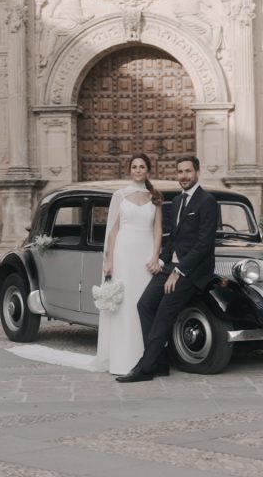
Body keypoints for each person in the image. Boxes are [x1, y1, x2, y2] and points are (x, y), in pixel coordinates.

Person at [117, 155, 219, 383]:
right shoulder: (179, 201)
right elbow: (172, 239)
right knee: (144, 305)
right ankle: (160, 363)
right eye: (180, 172)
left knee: (164, 311)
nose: (183, 176)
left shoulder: (207, 201)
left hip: (192, 272)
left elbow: (204, 245)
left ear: (197, 172)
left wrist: (178, 271)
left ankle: (145, 367)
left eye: (188, 172)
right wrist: (162, 262)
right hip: (171, 266)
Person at [94, 154, 163, 375]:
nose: (138, 169)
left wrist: (155, 256)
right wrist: (109, 260)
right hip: (123, 252)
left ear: (148, 170)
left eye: (142, 166)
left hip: (145, 254)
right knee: (124, 304)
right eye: (134, 166)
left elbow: (158, 230)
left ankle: (146, 357)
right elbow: (113, 231)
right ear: (129, 170)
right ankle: (122, 359)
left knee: (143, 303)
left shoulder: (155, 197)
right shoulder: (120, 195)